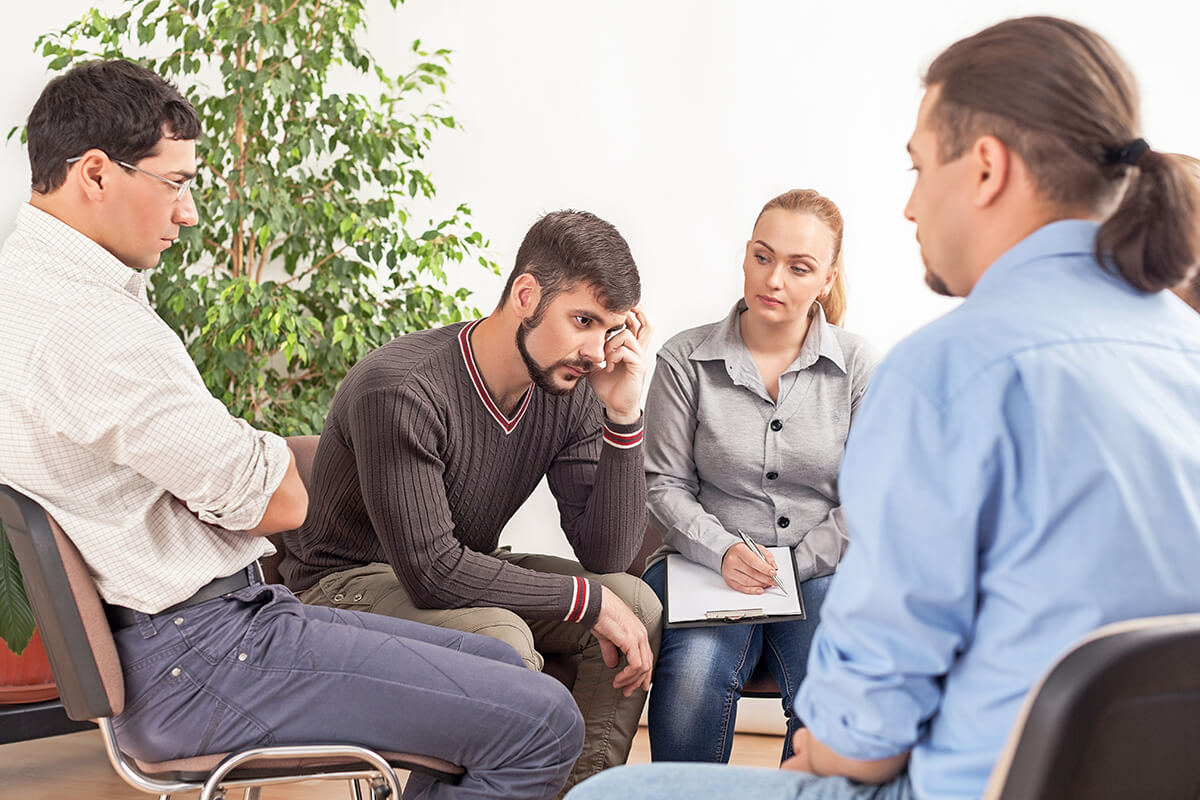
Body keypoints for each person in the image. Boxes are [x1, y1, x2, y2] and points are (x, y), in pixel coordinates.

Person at [566, 15, 1200, 800]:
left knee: (606, 795)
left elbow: (862, 740)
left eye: (918, 166)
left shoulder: (947, 370)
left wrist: (827, 751)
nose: (908, 208)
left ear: (986, 169)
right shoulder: (1186, 346)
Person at [0, 59, 584, 800]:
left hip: (198, 637)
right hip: (205, 657)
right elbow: (281, 506)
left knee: (501, 671)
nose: (188, 213)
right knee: (544, 722)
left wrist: (233, 461)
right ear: (94, 174)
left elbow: (235, 477)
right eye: (176, 183)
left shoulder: (27, 288)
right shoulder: (86, 326)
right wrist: (245, 458)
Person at [280, 209, 662, 794]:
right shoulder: (403, 388)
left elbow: (609, 554)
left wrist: (623, 415)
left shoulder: (570, 386)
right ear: (526, 294)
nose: (595, 350)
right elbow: (432, 572)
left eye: (608, 329)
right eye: (582, 319)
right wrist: (585, 599)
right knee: (499, 637)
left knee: (632, 601)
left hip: (451, 570)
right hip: (344, 586)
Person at [640, 188, 876, 763]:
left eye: (800, 268)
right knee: (693, 682)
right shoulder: (684, 358)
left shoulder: (858, 365)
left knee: (831, 693)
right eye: (763, 258)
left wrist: (795, 565)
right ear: (746, 255)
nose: (774, 280)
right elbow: (663, 484)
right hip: (704, 566)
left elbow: (872, 499)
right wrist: (721, 550)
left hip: (823, 568)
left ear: (827, 279)